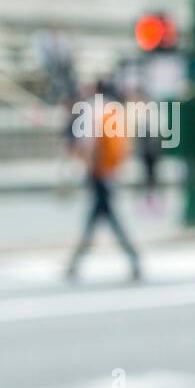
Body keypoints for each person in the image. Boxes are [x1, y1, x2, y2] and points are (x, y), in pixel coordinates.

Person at [65, 80, 142, 282]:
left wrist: (86, 166)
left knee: (104, 219)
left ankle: (76, 262)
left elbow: (90, 142)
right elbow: (125, 143)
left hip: (98, 173)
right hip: (110, 171)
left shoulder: (93, 109)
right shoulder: (114, 109)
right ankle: (75, 262)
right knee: (102, 218)